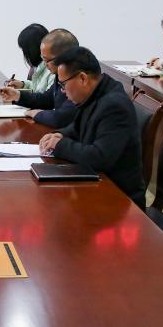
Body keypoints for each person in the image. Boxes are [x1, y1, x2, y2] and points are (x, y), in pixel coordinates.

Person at [38, 47, 146, 208]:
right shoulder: (96, 92)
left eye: (63, 84)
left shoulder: (114, 106)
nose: (63, 91)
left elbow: (99, 157)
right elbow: (78, 126)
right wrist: (60, 134)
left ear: (82, 78)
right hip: (97, 184)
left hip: (120, 200)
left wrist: (60, 145)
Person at [0, 29, 79, 128]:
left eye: (47, 60)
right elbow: (47, 99)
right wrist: (17, 95)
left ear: (63, 57)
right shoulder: (60, 74)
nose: (45, 64)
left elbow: (61, 118)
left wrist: (37, 114)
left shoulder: (78, 79)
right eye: (43, 59)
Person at [4, 23, 51, 92]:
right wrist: (22, 84)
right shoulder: (39, 66)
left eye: (25, 50)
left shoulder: (52, 70)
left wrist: (19, 95)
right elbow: (37, 87)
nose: (25, 54)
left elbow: (46, 96)